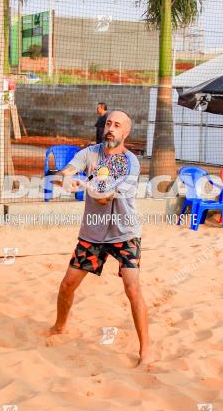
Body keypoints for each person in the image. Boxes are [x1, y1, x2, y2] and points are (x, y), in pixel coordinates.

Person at [48, 110, 151, 366]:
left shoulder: (131, 162)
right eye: (108, 123)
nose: (111, 128)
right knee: (68, 284)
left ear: (126, 132)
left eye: (117, 125)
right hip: (93, 232)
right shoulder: (90, 153)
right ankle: (60, 326)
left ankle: (146, 349)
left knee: (132, 287)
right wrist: (67, 178)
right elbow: (69, 170)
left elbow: (105, 197)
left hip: (124, 232)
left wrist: (85, 187)